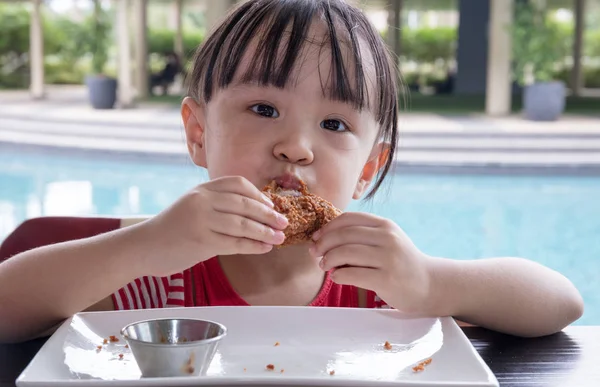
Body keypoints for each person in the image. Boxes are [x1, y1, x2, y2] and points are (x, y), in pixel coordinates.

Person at [0, 0, 583, 344]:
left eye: (334, 125)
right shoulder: (154, 275)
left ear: (367, 169)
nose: (298, 149)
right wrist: (145, 246)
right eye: (263, 109)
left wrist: (431, 283)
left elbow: (560, 304)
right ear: (199, 133)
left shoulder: (377, 284)